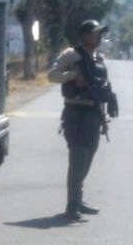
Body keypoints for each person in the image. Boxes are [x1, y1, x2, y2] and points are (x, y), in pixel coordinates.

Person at [48, 19, 117, 221]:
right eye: (96, 33)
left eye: (100, 33)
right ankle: (72, 205)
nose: (99, 37)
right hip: (76, 113)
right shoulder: (71, 54)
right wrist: (72, 75)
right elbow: (52, 75)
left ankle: (78, 200)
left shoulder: (98, 57)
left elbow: (101, 84)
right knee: (78, 158)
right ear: (85, 35)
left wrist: (109, 99)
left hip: (94, 114)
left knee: (88, 156)